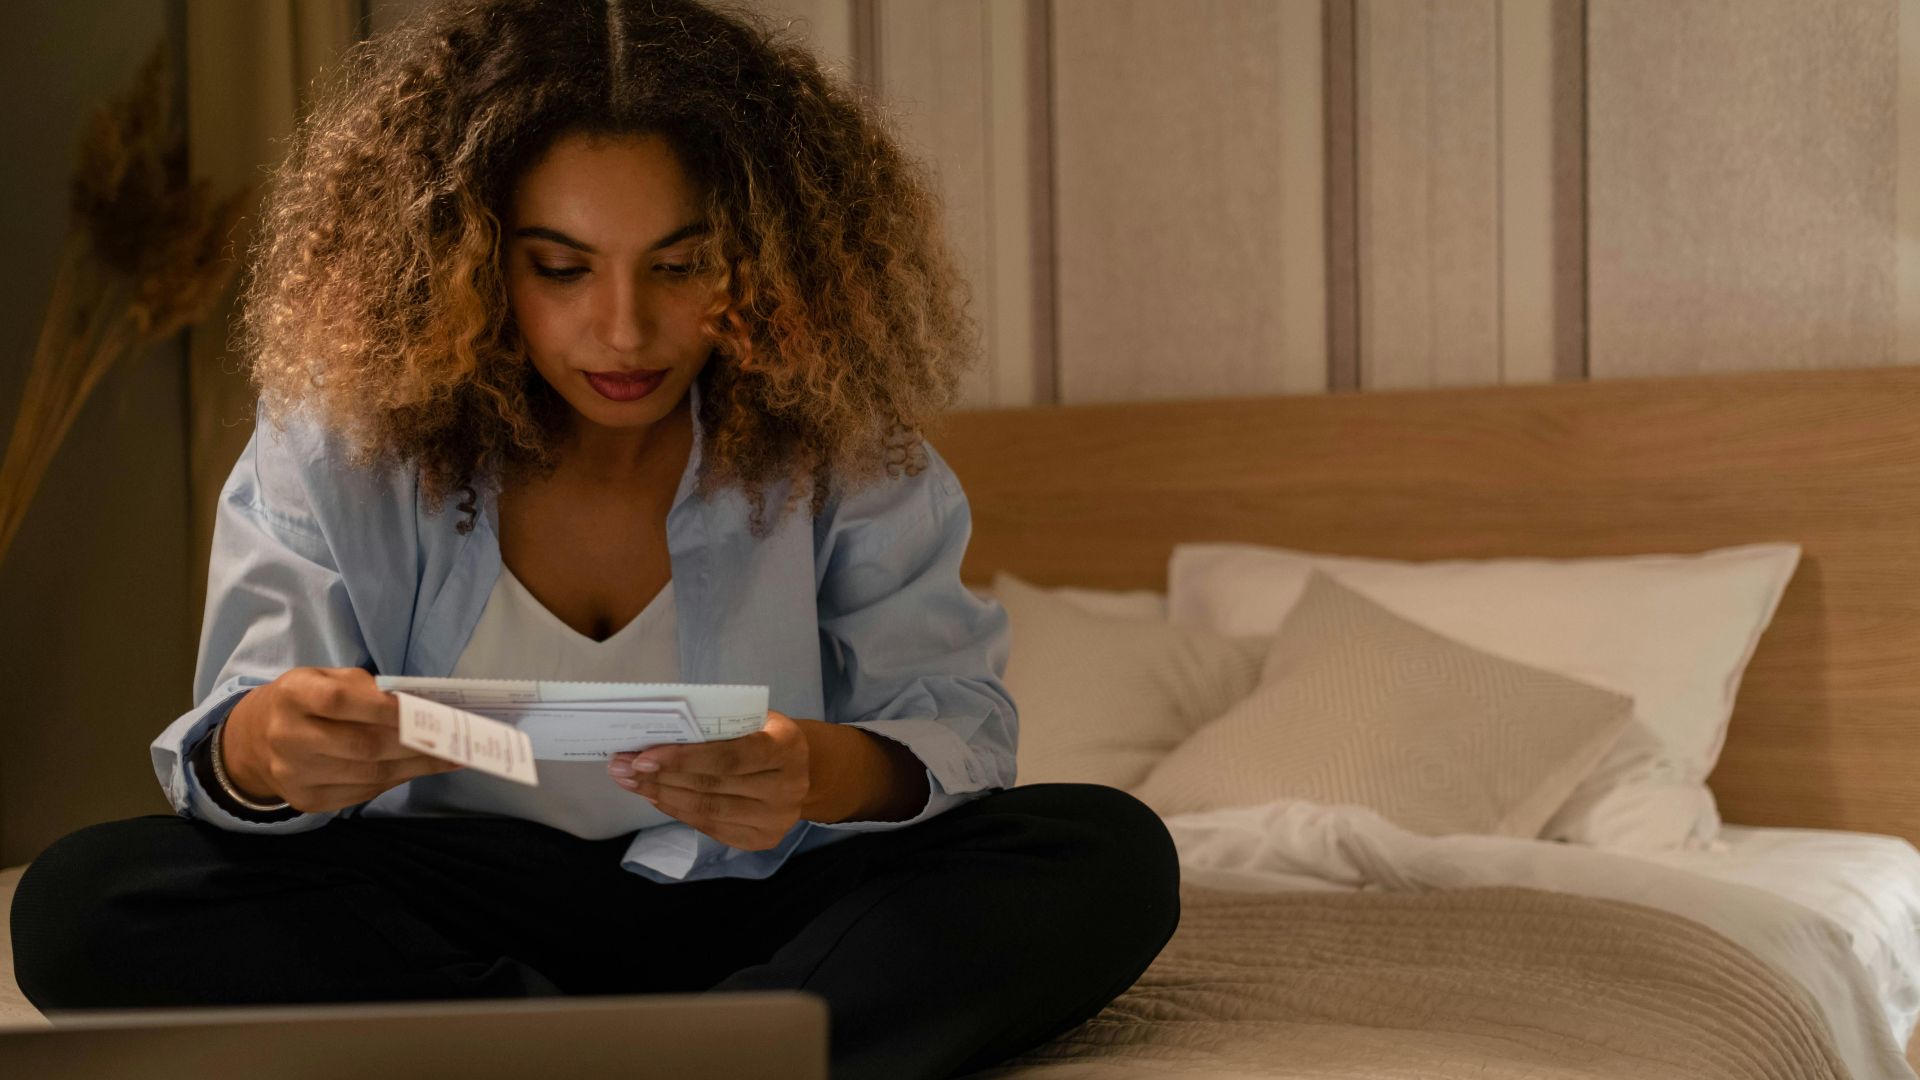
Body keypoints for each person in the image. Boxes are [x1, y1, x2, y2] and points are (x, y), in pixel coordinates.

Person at [6, 1, 1180, 1077]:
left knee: (1102, 852)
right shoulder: (337, 440)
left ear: (765, 257)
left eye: (682, 265)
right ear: (467, 257)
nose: (625, 328)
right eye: (561, 268)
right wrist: (269, 750)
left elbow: (956, 730)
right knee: (85, 899)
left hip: (764, 897)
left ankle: (577, 1058)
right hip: (447, 905)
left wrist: (812, 770)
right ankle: (709, 1057)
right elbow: (238, 742)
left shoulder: (845, 446)